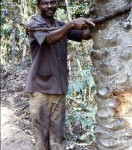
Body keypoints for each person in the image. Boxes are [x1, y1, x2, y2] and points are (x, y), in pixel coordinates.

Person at [25, 0, 95, 150]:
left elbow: (85, 35)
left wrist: (95, 23)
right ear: (38, 5)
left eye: (52, 2)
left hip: (59, 86)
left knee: (58, 136)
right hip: (40, 88)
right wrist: (70, 25)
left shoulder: (60, 24)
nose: (49, 6)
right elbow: (47, 40)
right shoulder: (35, 24)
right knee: (42, 138)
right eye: (45, 3)